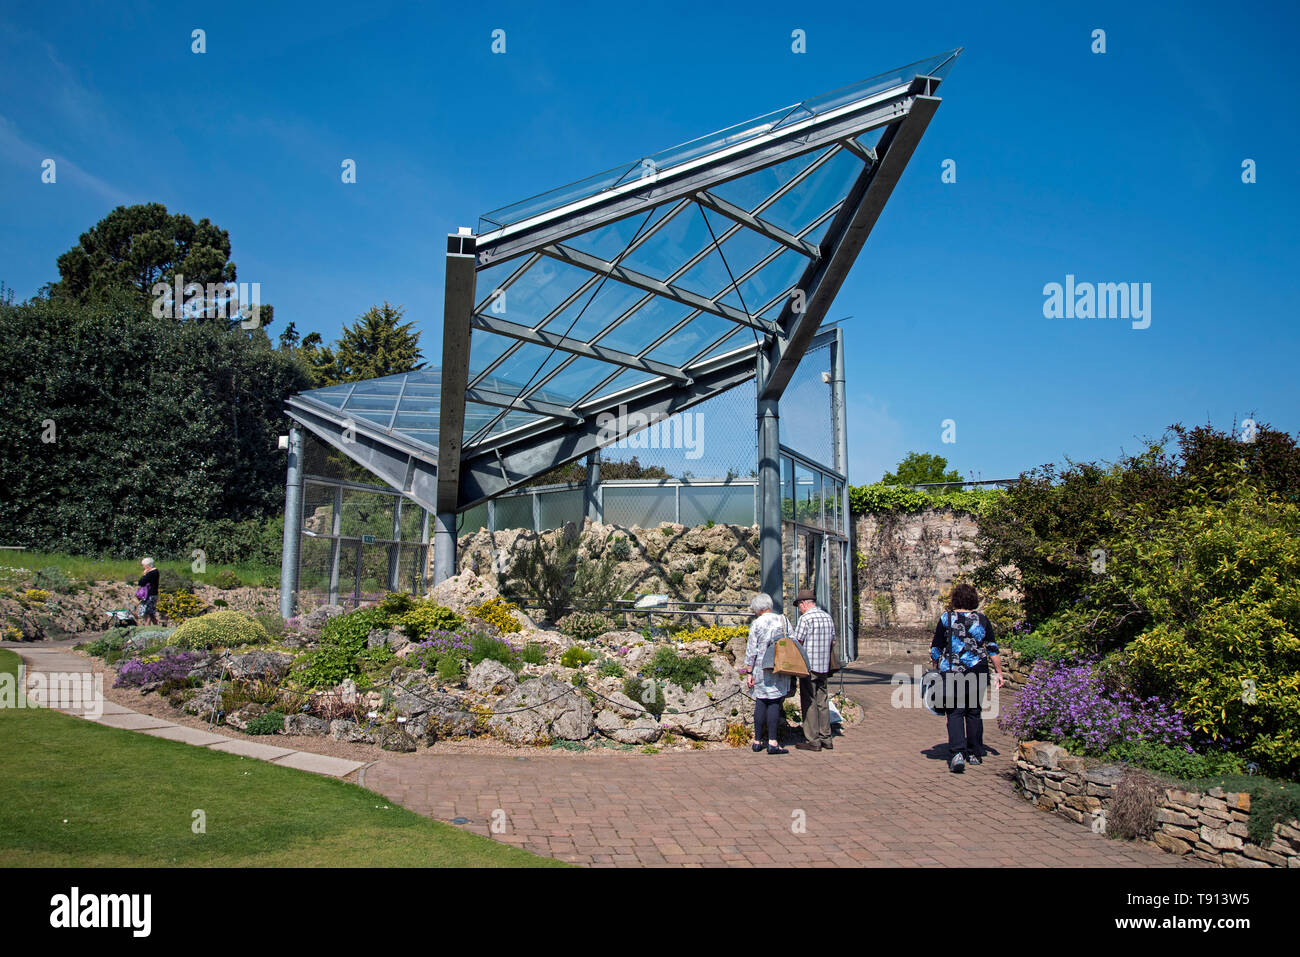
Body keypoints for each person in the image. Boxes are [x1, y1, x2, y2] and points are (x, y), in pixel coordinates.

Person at [930, 583, 1003, 773]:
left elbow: (936, 646)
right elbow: (992, 648)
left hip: (952, 670)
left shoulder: (946, 618)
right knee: (973, 711)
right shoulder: (982, 619)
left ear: (954, 599)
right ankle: (975, 753)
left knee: (954, 711)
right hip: (977, 669)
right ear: (974, 600)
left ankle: (957, 753)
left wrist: (935, 663)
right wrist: (999, 672)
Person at [740, 593, 793, 755]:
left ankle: (757, 741)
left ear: (758, 609)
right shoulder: (783, 620)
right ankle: (772, 741)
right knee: (775, 702)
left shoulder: (756, 624)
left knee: (761, 702)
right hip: (779, 666)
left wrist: (749, 672)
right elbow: (792, 640)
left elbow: (751, 650)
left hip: (760, 668)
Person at [792, 588, 835, 752]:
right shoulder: (827, 617)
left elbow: (797, 642)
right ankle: (827, 737)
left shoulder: (806, 619)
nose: (800, 609)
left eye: (799, 606)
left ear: (804, 604)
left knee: (809, 701)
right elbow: (833, 642)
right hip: (824, 666)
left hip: (809, 667)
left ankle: (813, 740)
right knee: (822, 701)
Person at [138, 557, 160, 626]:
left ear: (147, 565)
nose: (143, 567)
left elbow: (141, 582)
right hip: (154, 594)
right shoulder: (156, 572)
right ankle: (157, 627)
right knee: (151, 614)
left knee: (146, 614)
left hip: (149, 595)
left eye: (143, 565)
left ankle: (147, 629)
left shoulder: (151, 573)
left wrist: (144, 575)